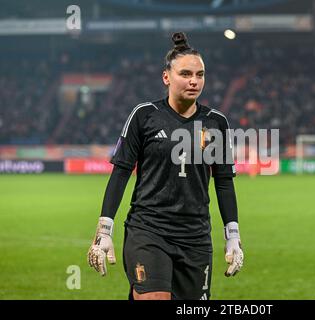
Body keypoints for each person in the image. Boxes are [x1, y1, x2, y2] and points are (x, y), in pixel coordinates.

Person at [87, 32, 243, 300]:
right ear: (166, 77)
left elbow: (224, 180)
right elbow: (121, 171)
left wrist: (233, 236)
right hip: (149, 230)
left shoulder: (216, 122)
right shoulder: (144, 115)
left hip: (195, 236)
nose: (194, 81)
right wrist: (104, 230)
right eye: (185, 73)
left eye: (200, 74)